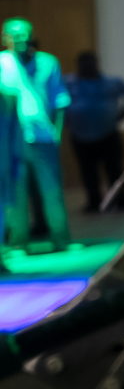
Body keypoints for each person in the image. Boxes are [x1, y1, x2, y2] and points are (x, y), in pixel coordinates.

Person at [0, 19, 72, 248]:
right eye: (15, 35)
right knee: (16, 192)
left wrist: (57, 131)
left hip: (43, 136)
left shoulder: (48, 62)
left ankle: (61, 238)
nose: (21, 39)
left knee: (51, 189)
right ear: (5, 38)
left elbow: (60, 99)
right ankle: (18, 242)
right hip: (11, 141)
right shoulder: (2, 63)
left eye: (25, 34)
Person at [62, 51, 124, 211]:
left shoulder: (112, 82)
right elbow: (56, 101)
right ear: (78, 65)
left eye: (90, 63)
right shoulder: (68, 83)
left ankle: (121, 200)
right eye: (83, 63)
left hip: (108, 134)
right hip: (80, 136)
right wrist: (65, 121)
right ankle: (94, 202)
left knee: (115, 169)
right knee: (88, 172)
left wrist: (123, 114)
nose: (87, 67)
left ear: (96, 64)